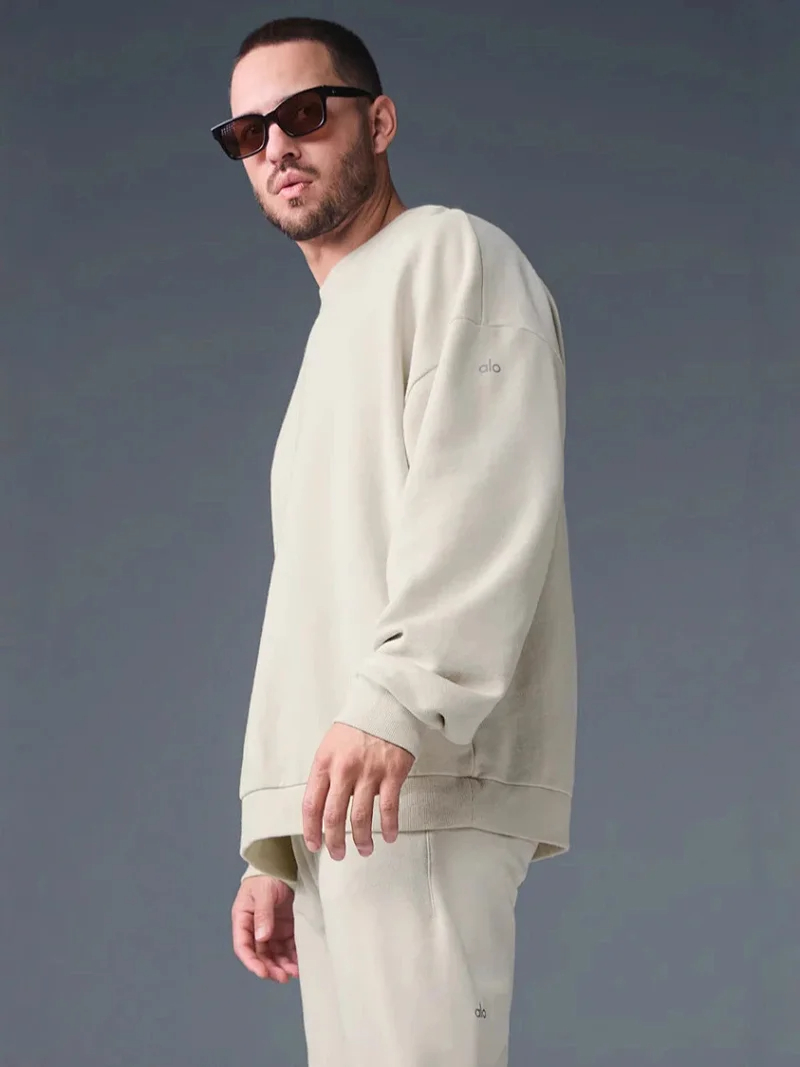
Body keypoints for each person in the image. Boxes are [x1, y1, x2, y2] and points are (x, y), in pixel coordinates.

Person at [211, 16, 578, 1067]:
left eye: (302, 112)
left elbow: (483, 492)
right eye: (247, 132)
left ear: (377, 121)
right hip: (344, 800)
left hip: (413, 769)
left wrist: (401, 700)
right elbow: (319, 594)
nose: (277, 145)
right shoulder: (340, 323)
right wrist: (278, 838)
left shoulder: (451, 256)